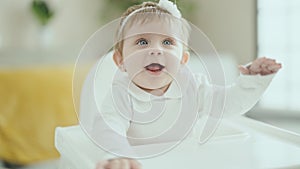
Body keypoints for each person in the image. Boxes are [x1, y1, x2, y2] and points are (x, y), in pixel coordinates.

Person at [79, 0, 282, 169]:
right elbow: (108, 126)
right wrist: (117, 154)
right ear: (120, 61)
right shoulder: (121, 93)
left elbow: (230, 103)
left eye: (167, 42)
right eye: (142, 42)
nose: (156, 50)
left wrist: (254, 80)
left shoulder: (193, 87)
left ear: (183, 60)